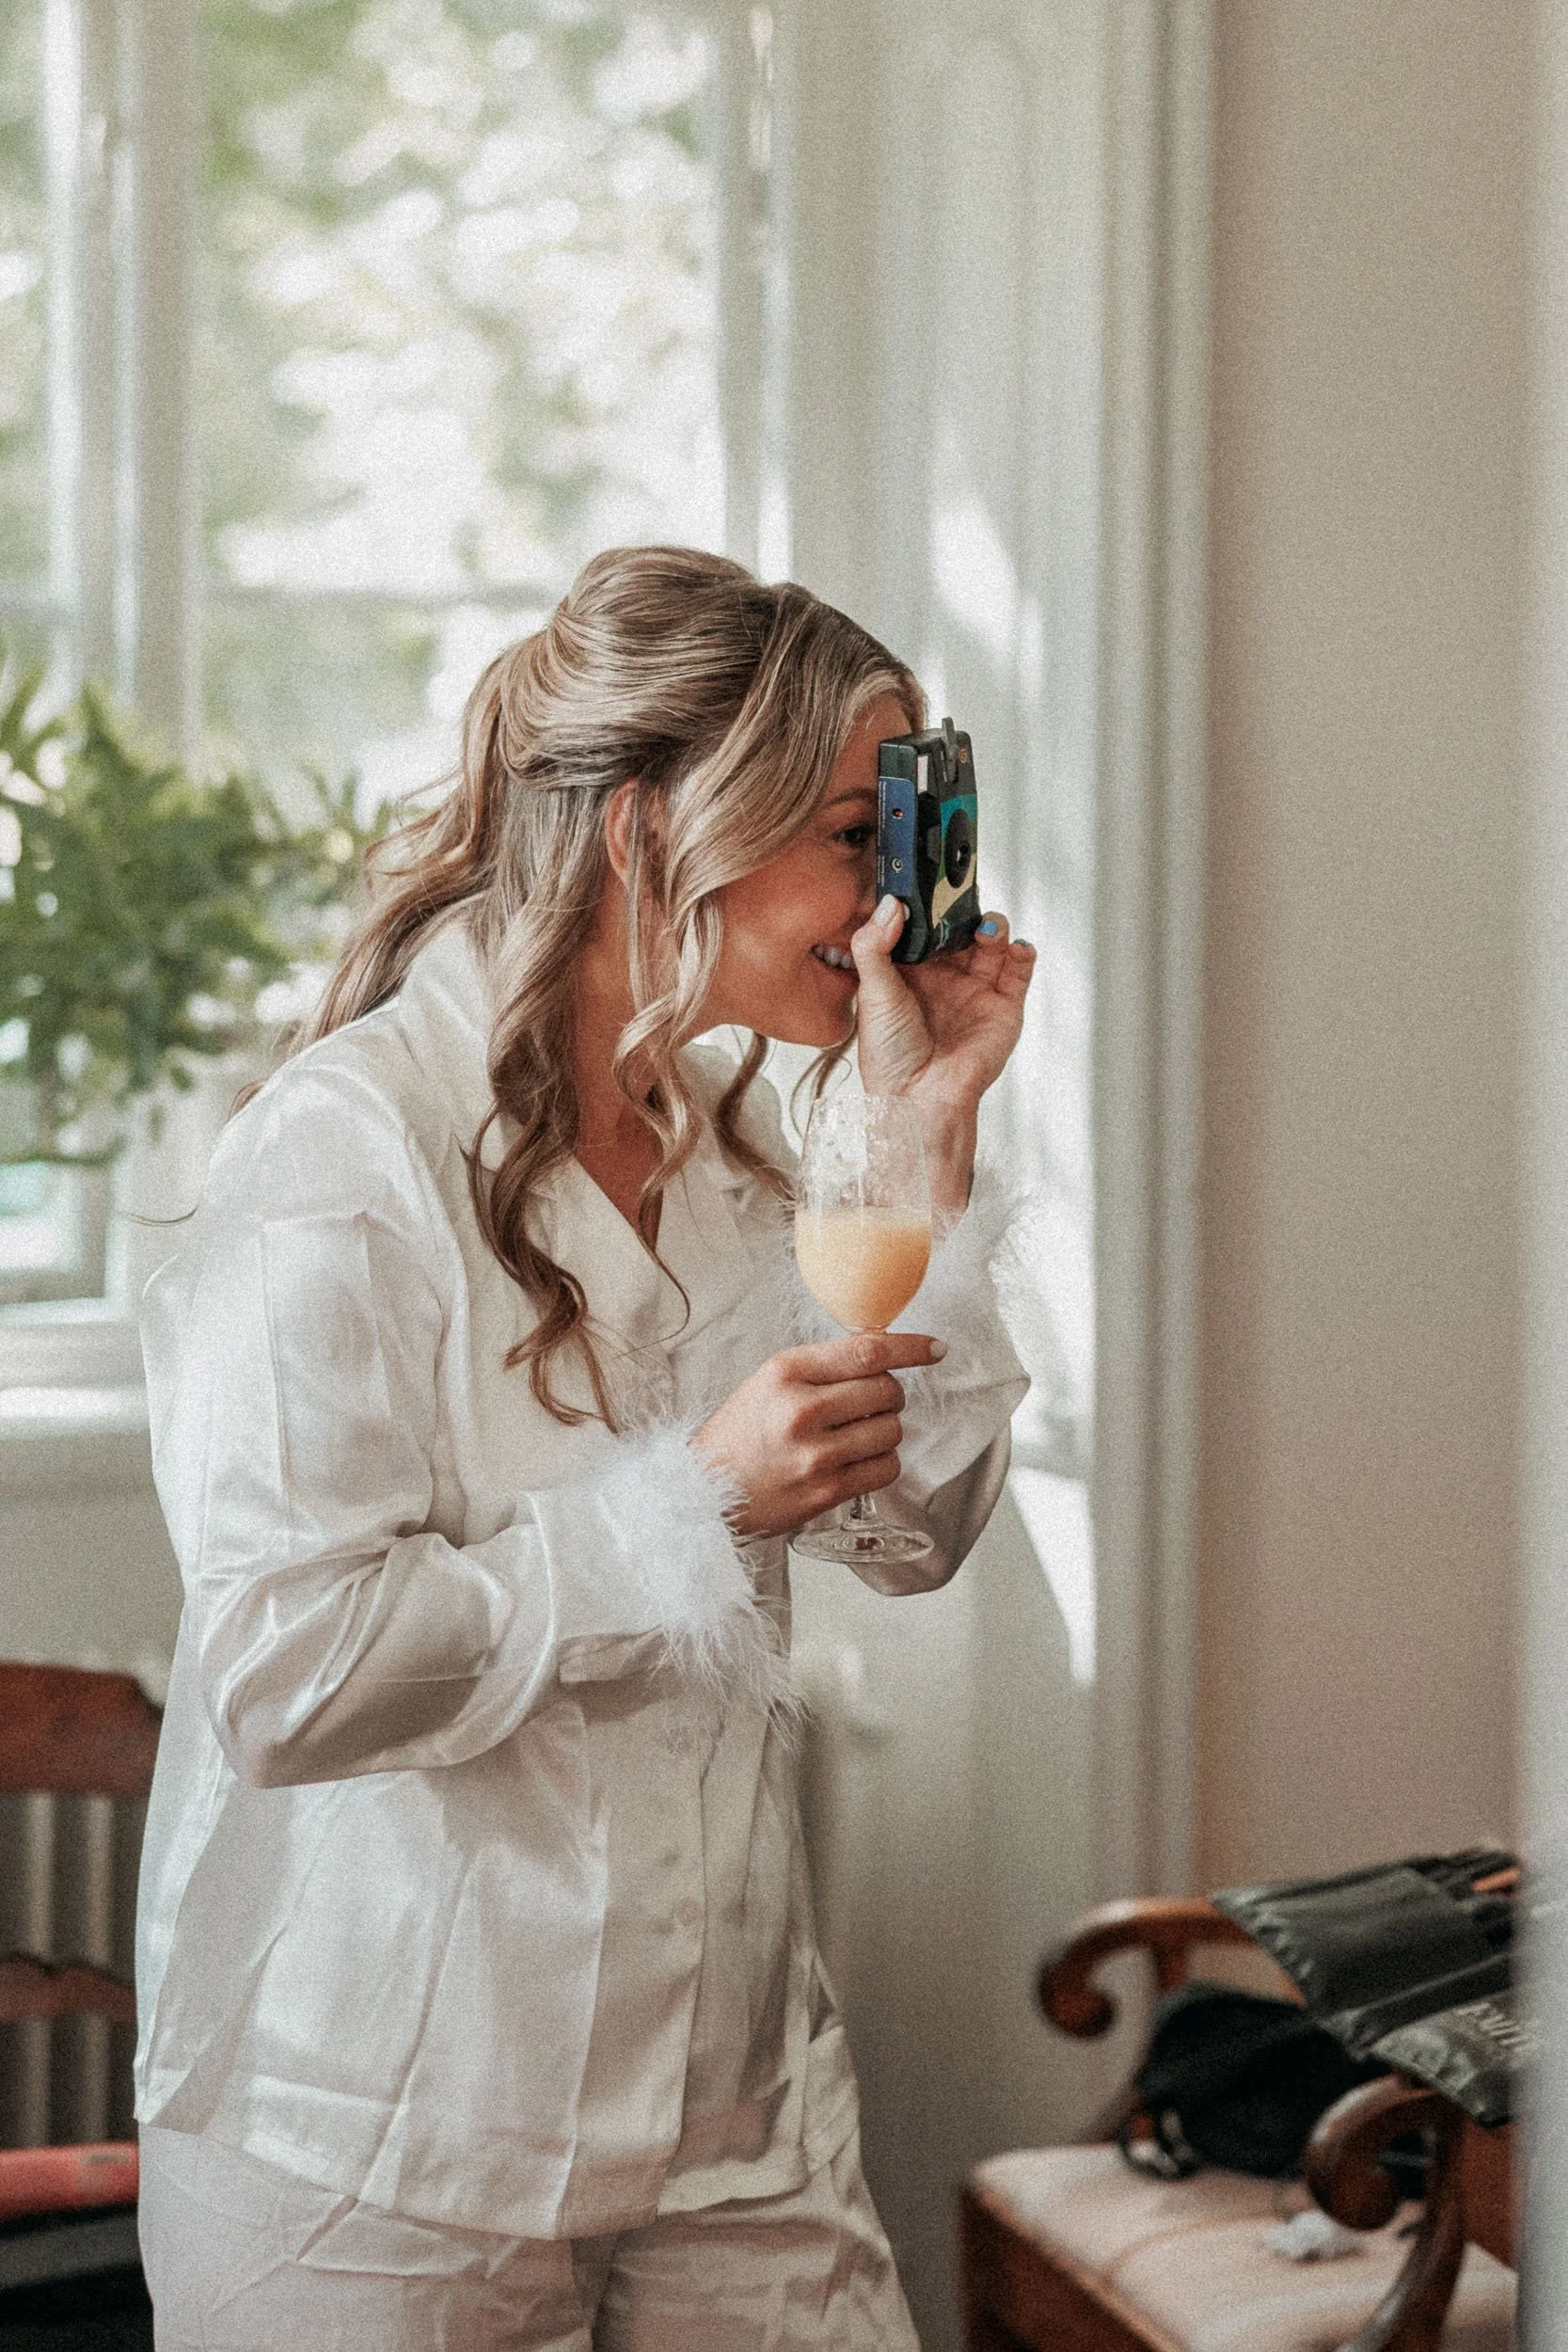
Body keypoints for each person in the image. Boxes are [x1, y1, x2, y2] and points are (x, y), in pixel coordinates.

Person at [133, 546, 1036, 2350]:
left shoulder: (739, 1148)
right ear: (651, 827)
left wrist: (917, 1152)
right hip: (384, 2143)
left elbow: (909, 1533)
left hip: (734, 2113)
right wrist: (697, 1504)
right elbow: (292, 1675)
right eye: (858, 837)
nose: (892, 904)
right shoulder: (338, 1164)